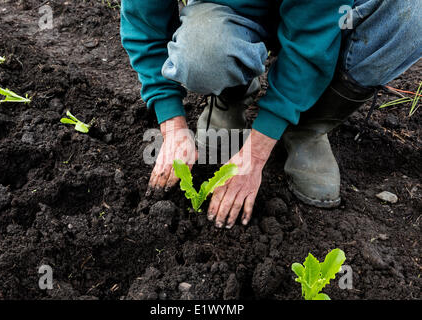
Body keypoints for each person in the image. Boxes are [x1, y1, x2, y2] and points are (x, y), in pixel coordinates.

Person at [120, 0, 422, 229]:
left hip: (330, 14)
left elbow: (310, 45)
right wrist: (172, 125)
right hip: (230, 8)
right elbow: (143, 20)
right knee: (202, 51)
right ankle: (230, 92)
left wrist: (256, 153)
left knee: (413, 17)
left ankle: (306, 125)